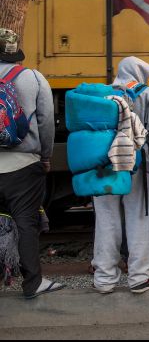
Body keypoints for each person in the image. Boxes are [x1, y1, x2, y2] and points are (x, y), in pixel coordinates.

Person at [91, 57, 149, 294]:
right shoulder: (148, 94)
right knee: (140, 218)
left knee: (105, 220)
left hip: (102, 164)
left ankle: (103, 279)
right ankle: (139, 277)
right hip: (135, 164)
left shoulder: (102, 96)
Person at [0, 28, 63, 299]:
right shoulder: (33, 78)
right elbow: (46, 122)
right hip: (24, 164)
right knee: (26, 221)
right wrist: (46, 156)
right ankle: (32, 283)